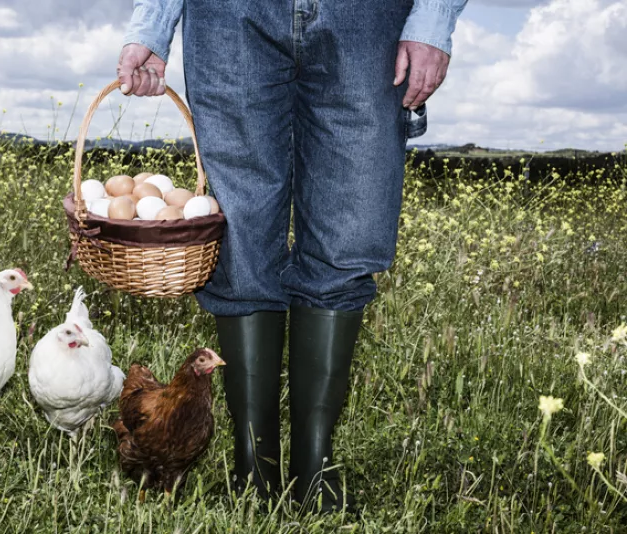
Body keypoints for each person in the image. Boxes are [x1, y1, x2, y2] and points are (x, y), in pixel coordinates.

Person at [117, 0, 467, 513]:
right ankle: (253, 470)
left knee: (349, 231)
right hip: (229, 15)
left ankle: (315, 470)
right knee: (239, 241)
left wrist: (433, 17)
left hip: (366, 16)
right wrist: (153, 22)